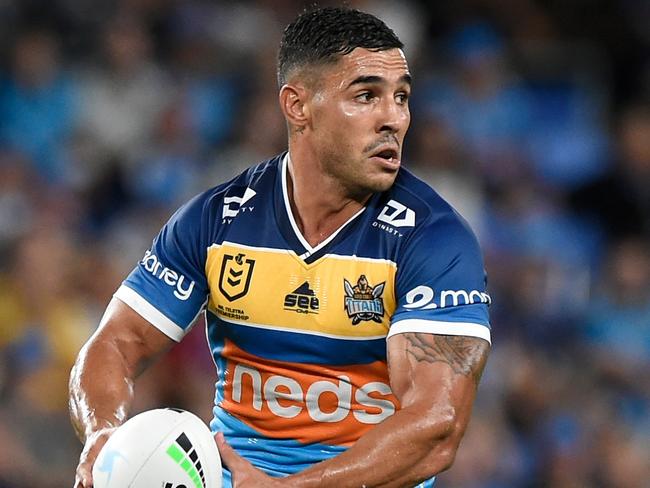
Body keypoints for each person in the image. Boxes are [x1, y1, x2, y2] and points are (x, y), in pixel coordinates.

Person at [70, 7, 491, 488]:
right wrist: (101, 431)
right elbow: (114, 344)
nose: (393, 118)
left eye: (401, 97)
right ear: (298, 106)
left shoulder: (434, 239)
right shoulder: (216, 221)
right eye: (367, 96)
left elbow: (437, 427)